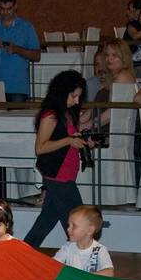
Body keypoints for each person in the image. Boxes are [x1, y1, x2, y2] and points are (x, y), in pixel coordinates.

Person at [24, 70, 95, 249]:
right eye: (74, 96)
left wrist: (82, 141)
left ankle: (22, 253)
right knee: (79, 223)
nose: (77, 101)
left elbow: (67, 138)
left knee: (45, 222)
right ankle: (84, 258)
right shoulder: (51, 115)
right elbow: (40, 148)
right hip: (59, 175)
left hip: (64, 173)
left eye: (79, 97)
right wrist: (69, 140)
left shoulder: (66, 113)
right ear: (62, 92)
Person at [53, 205, 113, 277]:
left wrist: (84, 277)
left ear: (90, 230)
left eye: (74, 226)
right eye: (69, 225)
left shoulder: (100, 250)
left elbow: (109, 272)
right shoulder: (67, 248)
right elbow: (53, 265)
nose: (68, 229)